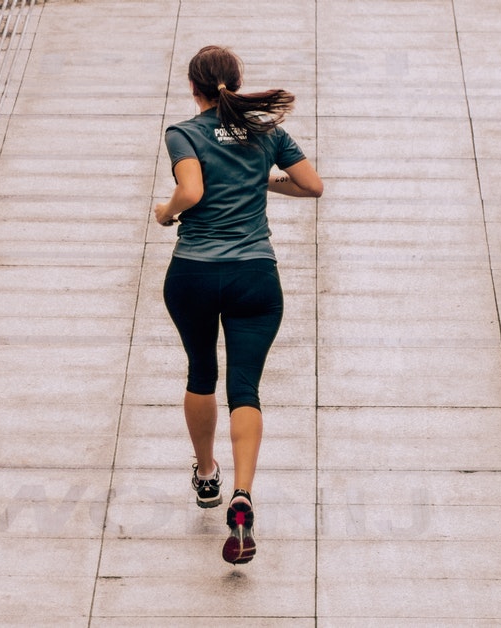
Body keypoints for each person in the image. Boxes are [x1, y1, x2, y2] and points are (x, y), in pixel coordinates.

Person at [154, 45, 323, 565]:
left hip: (194, 275)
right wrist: (262, 180)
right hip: (255, 275)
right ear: (236, 81)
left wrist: (165, 213)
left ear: (193, 88)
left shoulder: (183, 132)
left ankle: (207, 475)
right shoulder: (267, 132)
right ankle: (243, 494)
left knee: (201, 371)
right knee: (245, 386)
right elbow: (312, 185)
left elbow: (192, 189)